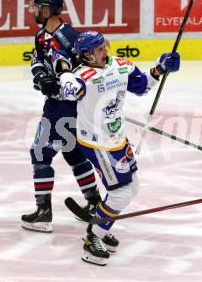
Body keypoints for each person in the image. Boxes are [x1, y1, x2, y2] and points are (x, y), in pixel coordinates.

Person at [57, 30, 180, 265]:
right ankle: (93, 238)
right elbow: (71, 91)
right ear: (87, 55)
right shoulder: (83, 74)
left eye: (105, 46)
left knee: (132, 187)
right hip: (96, 142)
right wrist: (64, 75)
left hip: (116, 139)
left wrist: (160, 68)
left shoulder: (121, 65)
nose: (105, 51)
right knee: (120, 192)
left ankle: (102, 222)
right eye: (99, 49)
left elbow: (142, 86)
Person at [21, 0, 100, 233]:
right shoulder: (41, 35)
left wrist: (64, 84)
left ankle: (43, 211)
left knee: (40, 153)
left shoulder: (68, 36)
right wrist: (42, 78)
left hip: (64, 106)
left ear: (49, 11)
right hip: (58, 104)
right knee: (73, 153)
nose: (34, 11)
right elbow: (37, 61)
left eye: (39, 8)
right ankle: (95, 203)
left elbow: (85, 66)